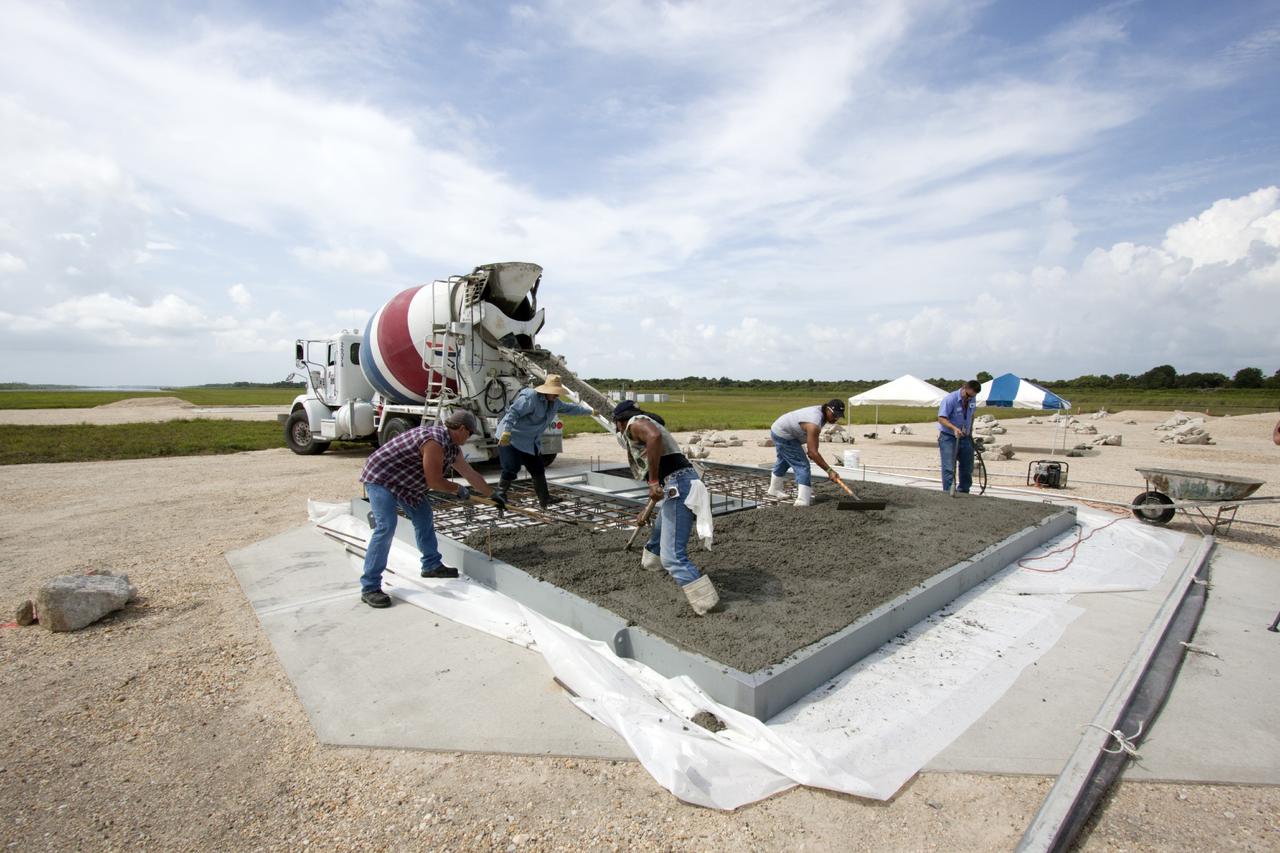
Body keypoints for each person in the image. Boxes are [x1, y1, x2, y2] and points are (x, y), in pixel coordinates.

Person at [357, 410, 500, 609]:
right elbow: (434, 481)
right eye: (469, 433)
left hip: (406, 481)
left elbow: (470, 474)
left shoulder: (452, 446)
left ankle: (431, 565)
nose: (469, 437)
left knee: (424, 517)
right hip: (382, 478)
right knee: (386, 526)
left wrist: (493, 494)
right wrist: (457, 489)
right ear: (460, 429)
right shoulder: (434, 442)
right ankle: (370, 586)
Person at [612, 400, 719, 616]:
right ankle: (651, 566)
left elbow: (654, 437)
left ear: (619, 422)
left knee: (673, 557)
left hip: (679, 483)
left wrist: (652, 481)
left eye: (617, 427)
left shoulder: (634, 424)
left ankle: (708, 604)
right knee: (658, 535)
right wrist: (646, 509)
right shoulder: (645, 421)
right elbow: (662, 477)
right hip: (679, 481)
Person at [493, 374, 593, 509]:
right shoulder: (530, 398)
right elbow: (513, 413)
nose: (557, 396)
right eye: (554, 393)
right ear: (546, 391)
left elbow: (571, 408)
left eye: (558, 393)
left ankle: (545, 499)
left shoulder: (554, 402)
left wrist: (591, 412)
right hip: (511, 437)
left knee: (537, 468)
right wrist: (507, 431)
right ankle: (499, 494)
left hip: (529, 441)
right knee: (512, 467)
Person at [766, 399, 846, 506]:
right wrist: (829, 470)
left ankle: (774, 489)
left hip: (783, 430)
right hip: (783, 434)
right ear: (827, 409)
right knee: (802, 464)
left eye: (838, 416)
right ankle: (802, 501)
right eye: (834, 414)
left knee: (785, 460)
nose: (836, 418)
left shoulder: (821, 413)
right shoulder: (814, 422)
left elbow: (812, 451)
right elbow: (812, 453)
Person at [938, 380, 981, 493]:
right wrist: (954, 428)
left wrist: (970, 432)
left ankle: (964, 491)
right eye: (968, 395)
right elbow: (941, 418)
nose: (969, 398)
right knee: (949, 467)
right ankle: (948, 492)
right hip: (949, 437)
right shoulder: (950, 399)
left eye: (972, 396)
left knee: (967, 467)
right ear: (964, 388)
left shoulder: (972, 399)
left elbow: (971, 415)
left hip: (965, 437)